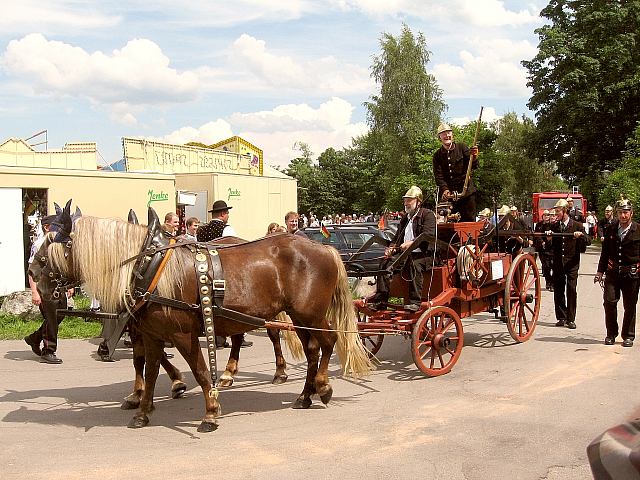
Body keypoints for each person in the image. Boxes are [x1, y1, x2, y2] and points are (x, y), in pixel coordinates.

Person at [368, 186, 437, 312]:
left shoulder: (428, 215)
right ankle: (381, 301)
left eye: (409, 200)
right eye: (405, 200)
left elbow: (429, 235)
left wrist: (411, 243)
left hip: (425, 254)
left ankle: (415, 302)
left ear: (418, 202)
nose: (406, 203)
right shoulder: (406, 218)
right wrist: (392, 248)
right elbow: (397, 238)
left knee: (414, 265)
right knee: (384, 263)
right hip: (405, 254)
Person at [197, 200, 251, 348]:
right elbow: (235, 251)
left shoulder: (200, 230)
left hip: (204, 270)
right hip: (223, 269)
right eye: (227, 213)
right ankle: (232, 334)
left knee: (209, 303)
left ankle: (216, 337)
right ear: (222, 214)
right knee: (225, 304)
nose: (228, 216)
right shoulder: (227, 230)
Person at [24, 215, 74, 364]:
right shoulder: (40, 244)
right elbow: (32, 269)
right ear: (47, 228)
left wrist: (69, 286)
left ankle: (34, 338)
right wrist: (34, 291)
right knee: (51, 320)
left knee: (60, 315)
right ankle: (48, 351)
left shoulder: (59, 243)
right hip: (45, 289)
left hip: (58, 287)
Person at [594, 197, 640, 347]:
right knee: (609, 302)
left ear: (631, 213)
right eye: (620, 212)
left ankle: (628, 335)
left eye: (626, 212)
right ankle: (611, 333)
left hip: (632, 274)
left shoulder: (638, 230)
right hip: (613, 273)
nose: (623, 216)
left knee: (630, 305)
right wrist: (600, 271)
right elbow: (605, 252)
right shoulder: (611, 229)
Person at [547, 198, 590, 329]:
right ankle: (561, 317)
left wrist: (581, 236)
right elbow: (550, 246)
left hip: (572, 263)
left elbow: (588, 241)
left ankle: (571, 319)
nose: (556, 214)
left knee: (571, 290)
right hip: (559, 263)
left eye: (558, 211)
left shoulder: (577, 225)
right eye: (555, 211)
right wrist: (549, 238)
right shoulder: (554, 226)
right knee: (558, 290)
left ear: (565, 211)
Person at [432, 123, 479, 222]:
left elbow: (473, 166)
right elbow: (439, 177)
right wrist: (445, 190)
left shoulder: (462, 147)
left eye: (448, 133)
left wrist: (474, 157)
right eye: (443, 134)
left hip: (467, 194)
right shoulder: (437, 156)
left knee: (469, 222)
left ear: (452, 134)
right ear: (439, 137)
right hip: (450, 197)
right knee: (450, 223)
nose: (447, 136)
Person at [534, 209, 554, 291]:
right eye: (545, 215)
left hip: (551, 248)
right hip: (542, 248)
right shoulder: (539, 224)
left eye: (548, 215)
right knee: (545, 267)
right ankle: (548, 282)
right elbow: (537, 235)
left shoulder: (552, 225)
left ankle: (552, 283)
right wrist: (542, 242)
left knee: (553, 266)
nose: (546, 216)